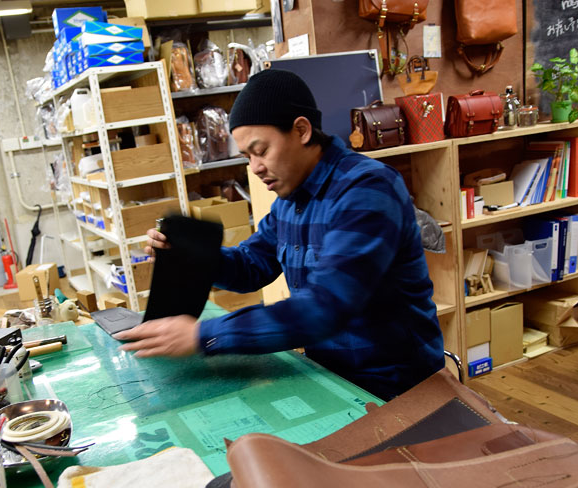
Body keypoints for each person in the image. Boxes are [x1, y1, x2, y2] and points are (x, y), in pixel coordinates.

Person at [115, 69, 444, 400]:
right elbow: (252, 265)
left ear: (301, 130)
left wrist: (204, 335)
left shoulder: (367, 190)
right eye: (247, 156)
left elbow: (325, 307)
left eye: (261, 151)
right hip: (331, 375)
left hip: (396, 386)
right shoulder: (291, 200)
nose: (255, 167)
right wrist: (191, 257)